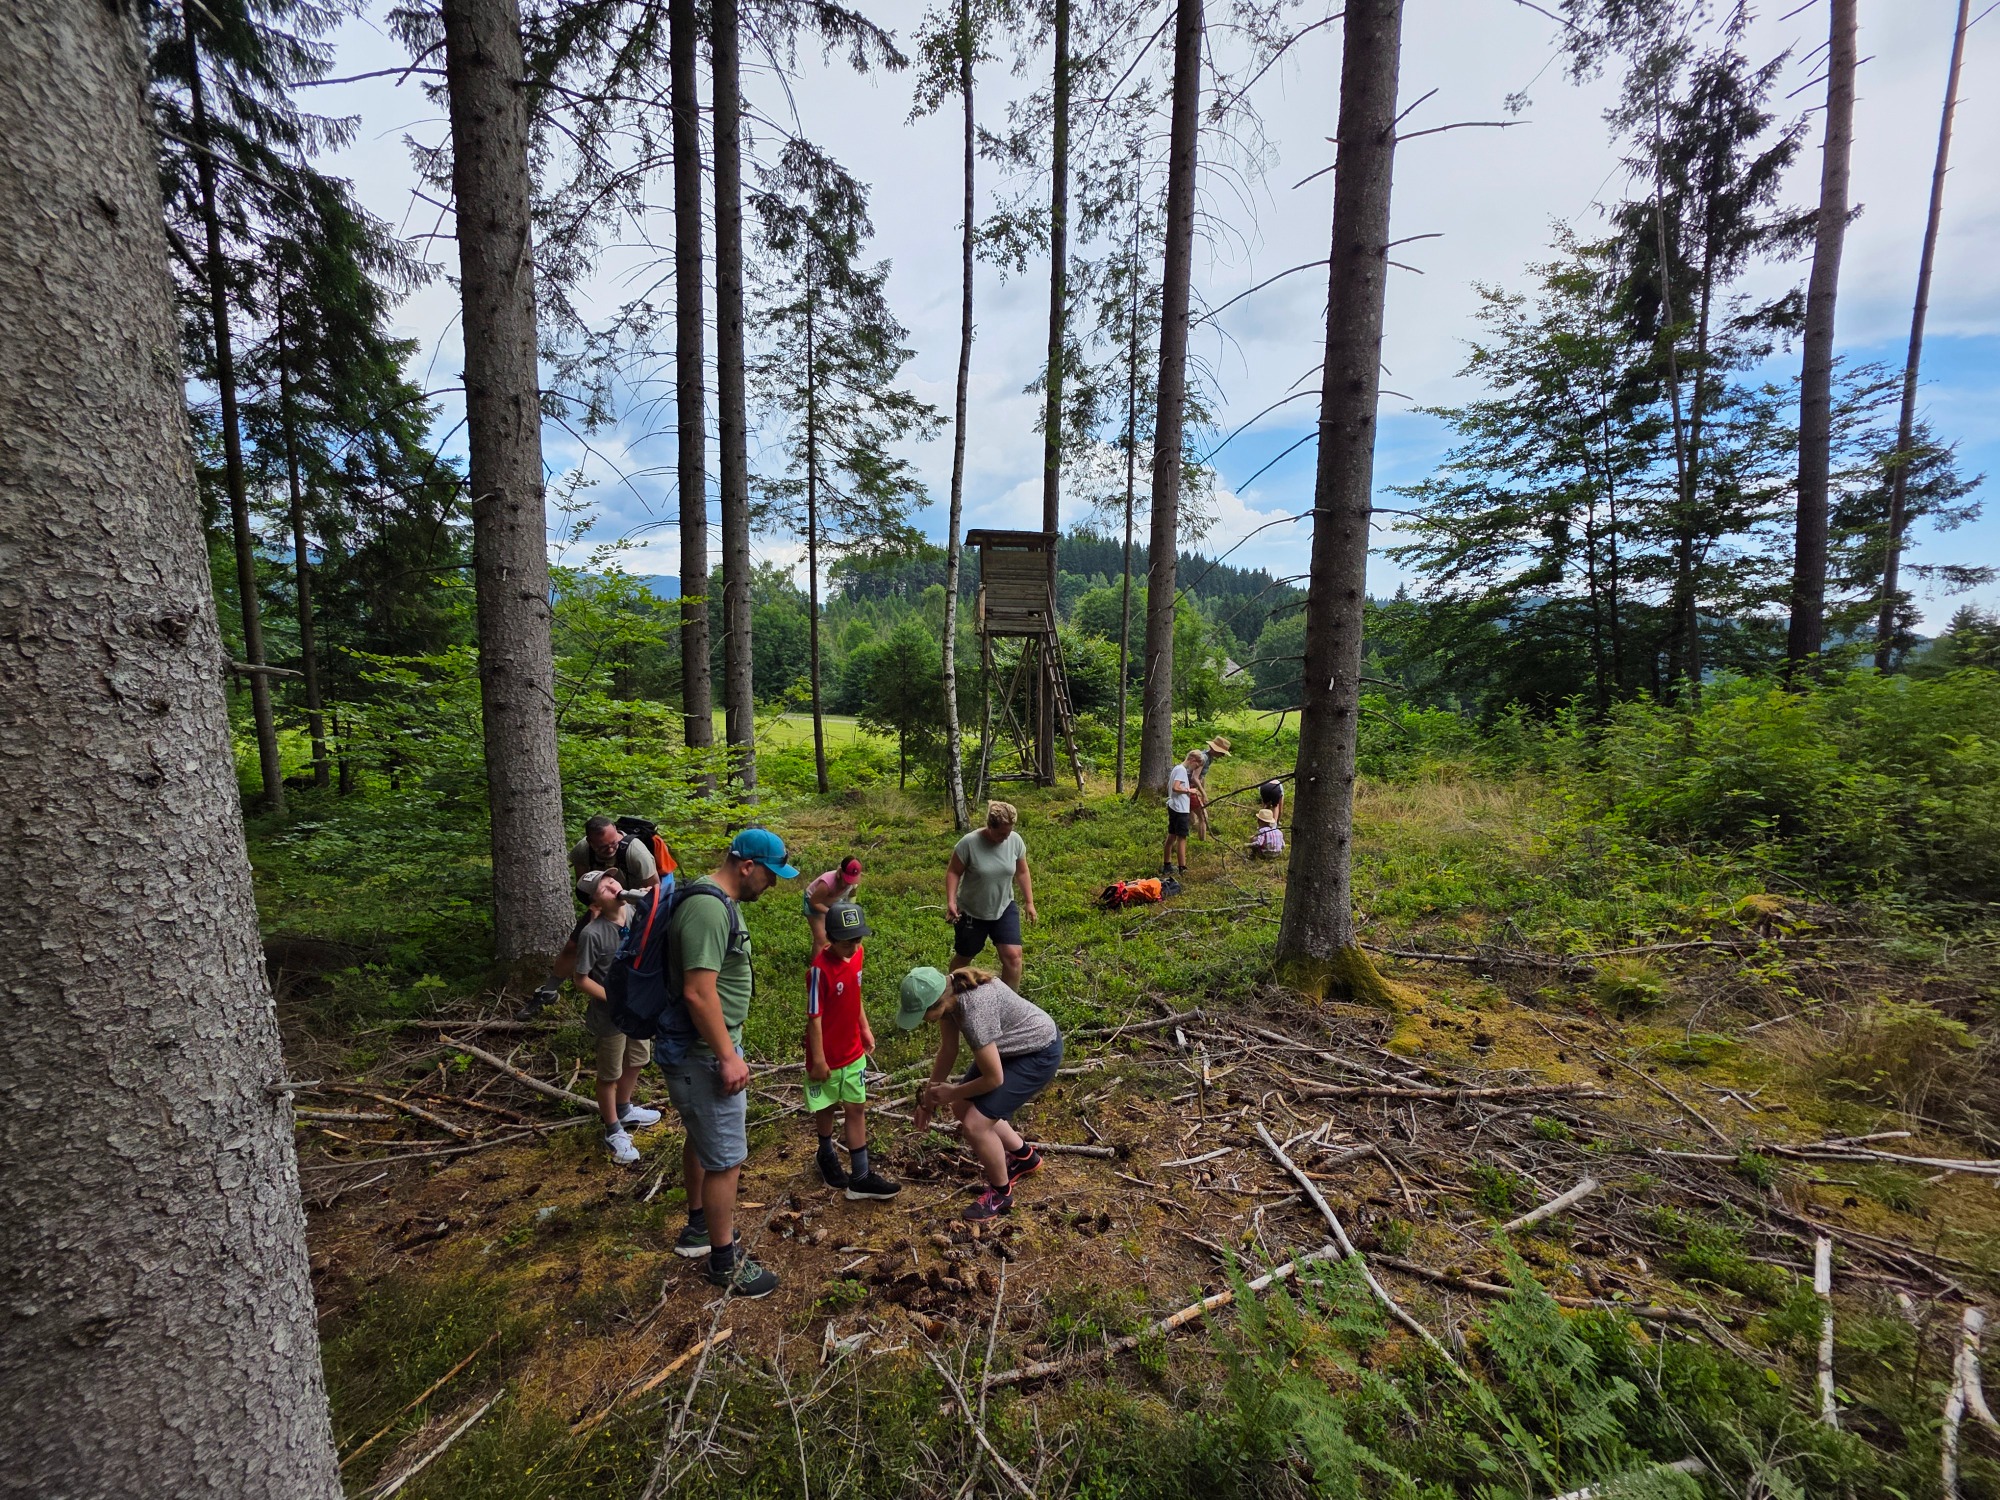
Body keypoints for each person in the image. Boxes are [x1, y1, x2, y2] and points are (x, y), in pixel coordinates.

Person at [662, 827, 796, 1298]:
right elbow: (698, 993)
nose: (772, 884)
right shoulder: (708, 909)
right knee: (726, 1160)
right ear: (746, 866)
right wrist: (726, 1055)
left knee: (704, 1141)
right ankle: (724, 1262)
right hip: (702, 1054)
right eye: (770, 874)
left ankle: (699, 1227)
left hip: (704, 1050)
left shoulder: (719, 901)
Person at [899, 965, 1063, 1222]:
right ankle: (1024, 1158)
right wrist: (927, 1101)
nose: (921, 1020)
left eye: (922, 1014)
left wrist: (953, 1092)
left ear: (938, 1002)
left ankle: (1001, 1194)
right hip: (1009, 1049)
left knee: (975, 1125)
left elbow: (994, 1079)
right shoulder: (950, 996)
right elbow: (948, 1050)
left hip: (1038, 1052)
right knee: (962, 1107)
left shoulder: (974, 1011)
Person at [803, 903, 900, 1200]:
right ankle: (826, 1152)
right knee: (827, 1106)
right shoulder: (819, 971)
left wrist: (864, 1027)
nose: (854, 947)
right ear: (831, 938)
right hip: (828, 1057)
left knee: (856, 1107)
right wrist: (819, 1060)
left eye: (858, 939)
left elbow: (855, 996)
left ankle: (860, 1176)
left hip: (853, 1050)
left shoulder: (858, 954)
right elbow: (814, 1018)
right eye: (847, 942)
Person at [521, 815, 663, 1017]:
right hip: (603, 902)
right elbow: (583, 885)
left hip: (635, 905)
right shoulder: (582, 850)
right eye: (604, 847)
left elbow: (655, 890)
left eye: (614, 842)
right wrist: (595, 907)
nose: (611, 849)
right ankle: (548, 992)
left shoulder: (636, 851)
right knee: (573, 946)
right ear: (590, 842)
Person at [571, 869, 662, 1164]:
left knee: (638, 1059)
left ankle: (624, 1108)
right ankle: (613, 1130)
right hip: (610, 1015)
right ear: (594, 903)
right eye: (603, 888)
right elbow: (581, 979)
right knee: (609, 1073)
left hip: (638, 1008)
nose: (613, 887)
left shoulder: (634, 912)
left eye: (612, 881)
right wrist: (614, 998)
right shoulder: (592, 934)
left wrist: (653, 900)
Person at [945, 802, 1037, 991]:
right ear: (990, 826)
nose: (1006, 838)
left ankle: (1008, 1001)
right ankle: (951, 993)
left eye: (1009, 832)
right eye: (1001, 833)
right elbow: (953, 872)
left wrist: (1029, 902)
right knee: (964, 957)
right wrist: (951, 901)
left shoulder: (1015, 841)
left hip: (1004, 906)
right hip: (972, 912)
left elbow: (1022, 872)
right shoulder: (968, 843)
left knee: (1013, 956)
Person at [801, 856, 863, 957]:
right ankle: (816, 965)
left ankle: (833, 960)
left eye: (852, 880)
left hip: (834, 903)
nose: (849, 883)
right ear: (841, 872)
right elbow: (814, 902)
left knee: (839, 935)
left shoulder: (853, 883)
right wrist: (831, 912)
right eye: (847, 879)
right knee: (822, 938)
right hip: (814, 902)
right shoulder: (827, 883)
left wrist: (849, 909)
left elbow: (852, 896)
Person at [1163, 748, 1203, 876]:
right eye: (1196, 765)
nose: (1196, 768)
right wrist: (1189, 791)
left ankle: (1167, 864)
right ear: (1192, 760)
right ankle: (1182, 867)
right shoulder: (1181, 770)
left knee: (1172, 835)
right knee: (1182, 837)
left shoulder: (1177, 768)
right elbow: (1175, 787)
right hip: (1180, 809)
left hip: (1175, 806)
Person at [1191, 736, 1230, 840]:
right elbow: (1194, 777)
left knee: (1192, 818)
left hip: (1192, 789)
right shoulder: (1203, 758)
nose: (1222, 756)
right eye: (1222, 753)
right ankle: (1202, 843)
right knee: (1203, 817)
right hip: (1189, 788)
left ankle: (1190, 838)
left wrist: (1202, 791)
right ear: (1216, 750)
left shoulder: (1209, 758)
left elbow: (1202, 777)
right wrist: (1204, 794)